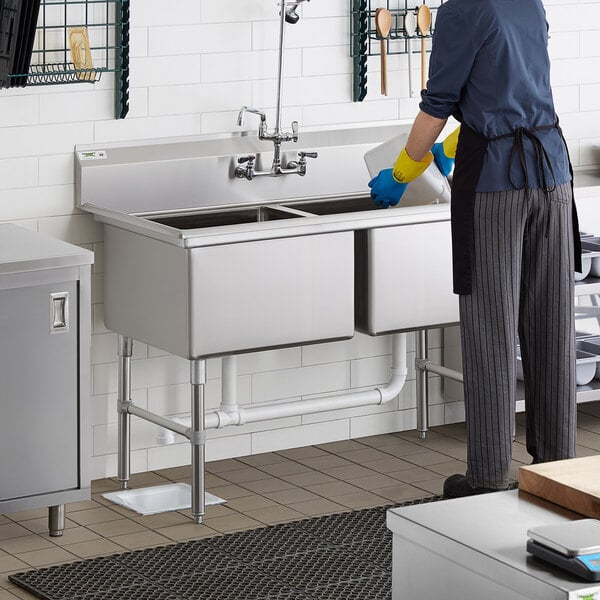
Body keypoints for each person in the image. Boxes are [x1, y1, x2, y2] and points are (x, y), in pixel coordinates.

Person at [369, 0, 582, 498]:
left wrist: (402, 172)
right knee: (550, 323)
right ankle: (556, 469)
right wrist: (453, 145)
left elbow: (436, 105)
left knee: (490, 324)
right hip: (553, 174)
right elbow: (509, 85)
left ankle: (486, 477)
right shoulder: (528, 2)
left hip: (496, 181)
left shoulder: (462, 10)